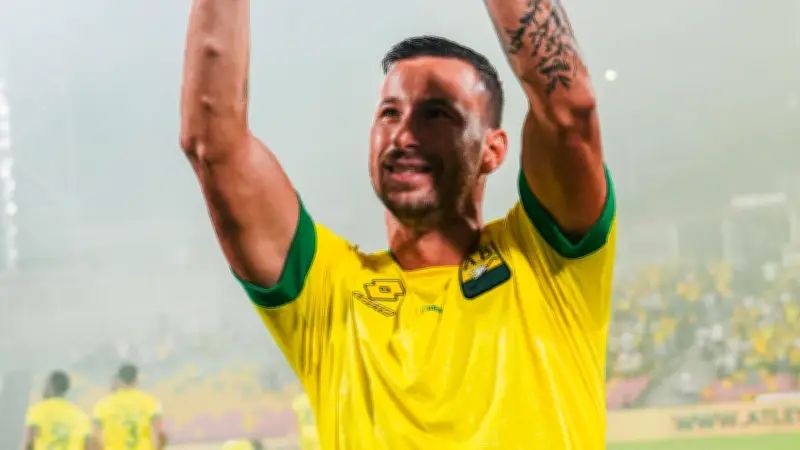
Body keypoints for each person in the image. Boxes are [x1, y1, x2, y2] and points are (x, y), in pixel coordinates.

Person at [180, 0, 614, 448]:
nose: (404, 136)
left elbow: (569, 109)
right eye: (389, 113)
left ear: (493, 149)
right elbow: (213, 144)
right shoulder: (328, 293)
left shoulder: (546, 261)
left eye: (436, 113)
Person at [92, 364, 166, 450]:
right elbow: (159, 433)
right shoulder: (150, 402)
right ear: (136, 380)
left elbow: (95, 435)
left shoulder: (103, 405)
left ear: (119, 380)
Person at [22, 371, 93, 450]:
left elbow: (29, 442)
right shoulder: (81, 415)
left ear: (50, 386)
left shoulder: (38, 410)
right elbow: (88, 446)